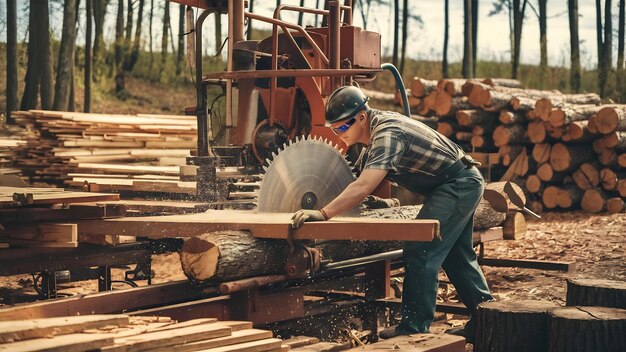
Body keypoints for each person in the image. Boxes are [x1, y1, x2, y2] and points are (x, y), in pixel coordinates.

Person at [291, 85, 494, 342]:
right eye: (334, 129)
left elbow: (363, 185)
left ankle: (413, 330)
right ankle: (488, 320)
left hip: (458, 185)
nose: (339, 134)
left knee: (421, 249)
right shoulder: (374, 137)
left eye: (342, 127)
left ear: (362, 117)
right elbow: (361, 184)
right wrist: (377, 202)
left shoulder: (387, 133)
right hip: (455, 184)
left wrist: (323, 214)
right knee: (457, 255)